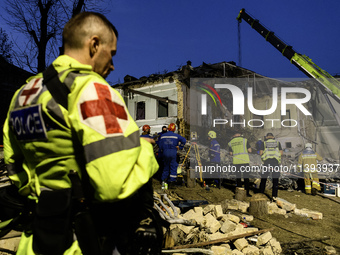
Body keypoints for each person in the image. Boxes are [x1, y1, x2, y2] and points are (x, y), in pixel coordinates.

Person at [3, 12, 160, 255]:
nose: (113, 64)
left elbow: (14, 169)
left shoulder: (24, 94)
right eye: (112, 53)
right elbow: (113, 184)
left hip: (35, 241)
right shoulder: (92, 89)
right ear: (94, 44)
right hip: (85, 241)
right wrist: (146, 150)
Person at [159, 123, 186, 188]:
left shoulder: (163, 136)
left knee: (166, 167)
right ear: (174, 129)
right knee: (173, 166)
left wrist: (163, 149)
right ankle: (172, 182)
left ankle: (164, 181)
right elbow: (184, 140)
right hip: (173, 152)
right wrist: (180, 147)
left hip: (165, 152)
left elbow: (160, 145)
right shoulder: (176, 136)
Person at [259, 133, 283, 200]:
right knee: (275, 179)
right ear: (273, 137)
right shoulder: (278, 143)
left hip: (266, 162)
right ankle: (274, 196)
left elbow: (261, 153)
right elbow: (281, 153)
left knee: (263, 178)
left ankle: (261, 194)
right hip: (275, 162)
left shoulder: (264, 143)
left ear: (266, 137)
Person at [228, 132, 252, 196]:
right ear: (239, 134)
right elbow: (250, 150)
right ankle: (247, 193)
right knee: (246, 177)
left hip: (236, 162)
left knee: (238, 177)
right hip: (245, 161)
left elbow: (231, 153)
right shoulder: (245, 140)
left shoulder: (230, 142)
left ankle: (239, 193)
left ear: (234, 135)